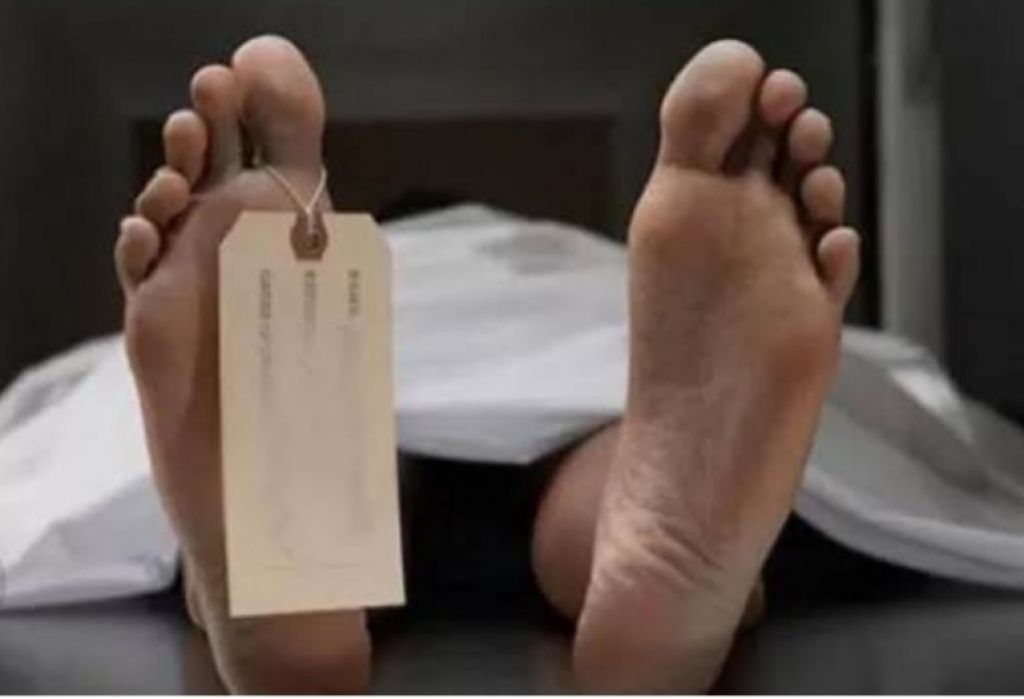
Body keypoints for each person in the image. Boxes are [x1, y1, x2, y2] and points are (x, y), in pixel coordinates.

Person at [114, 35, 859, 693]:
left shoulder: (391, 258)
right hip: (579, 350)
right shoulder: (560, 254)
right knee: (610, 442)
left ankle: (281, 561)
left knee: (350, 462)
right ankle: (660, 579)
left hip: (365, 387)